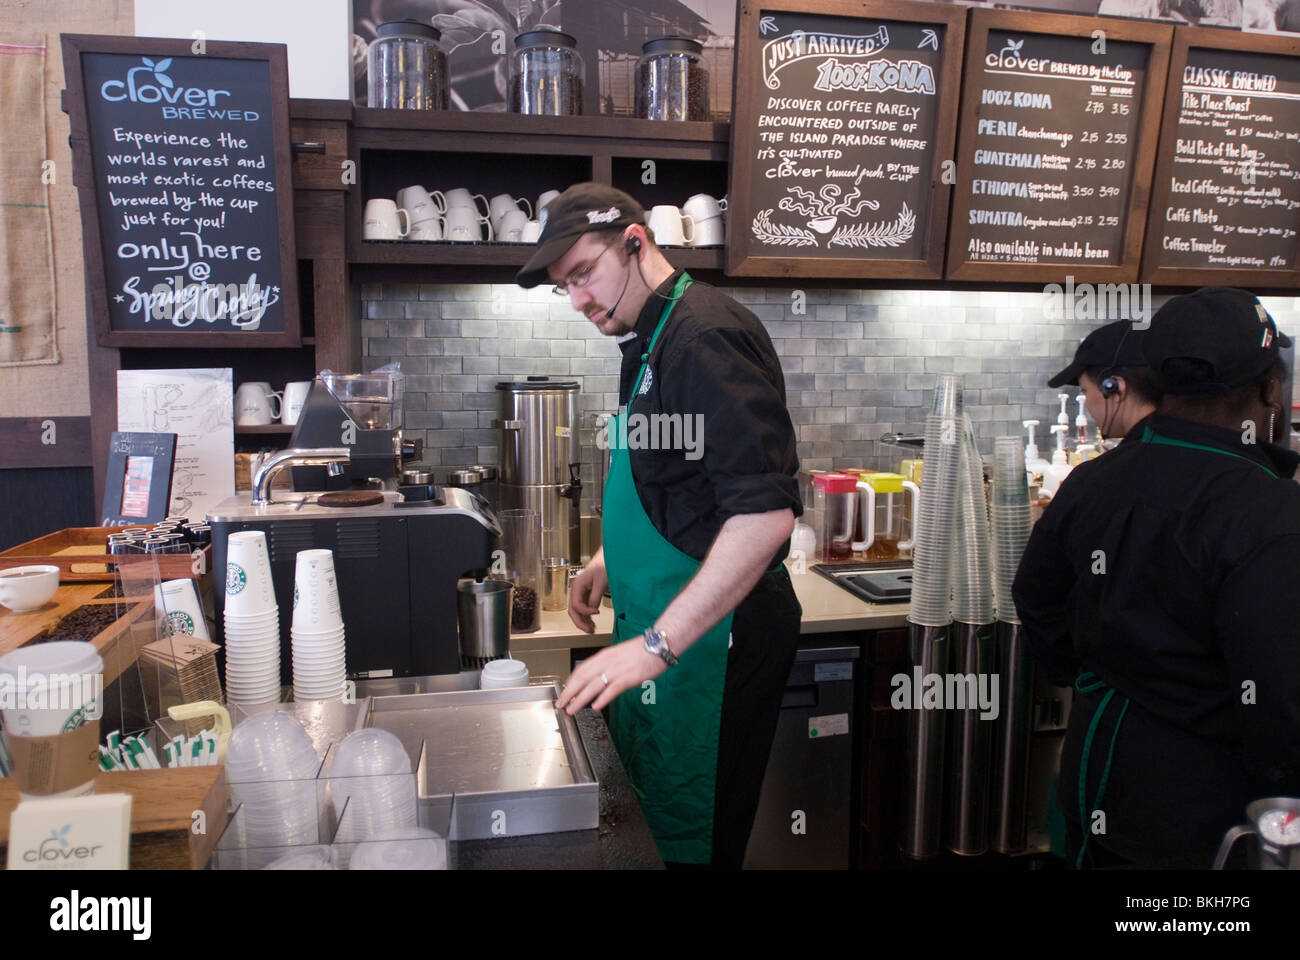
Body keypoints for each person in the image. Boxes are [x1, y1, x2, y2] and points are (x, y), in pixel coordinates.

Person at [515, 183, 803, 868]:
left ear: (637, 244)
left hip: (714, 642)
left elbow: (763, 516)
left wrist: (656, 645)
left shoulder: (705, 336)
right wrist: (609, 563)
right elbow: (677, 486)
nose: (579, 300)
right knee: (654, 835)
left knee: (695, 839)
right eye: (566, 287)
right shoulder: (648, 339)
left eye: (584, 274)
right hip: (667, 624)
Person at [1012, 287, 1300, 868]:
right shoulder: (1270, 514)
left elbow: (1036, 597)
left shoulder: (1092, 482)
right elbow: (1280, 700)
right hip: (1204, 814)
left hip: (1096, 772)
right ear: (1271, 388)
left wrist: (1098, 678)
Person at [1047, 318, 1160, 441]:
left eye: (1085, 390)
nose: (1087, 404)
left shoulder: (1125, 459)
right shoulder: (1178, 442)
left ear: (1114, 387)